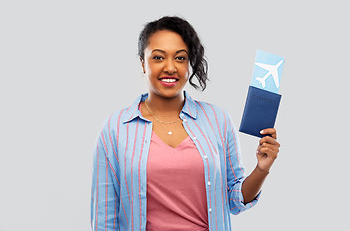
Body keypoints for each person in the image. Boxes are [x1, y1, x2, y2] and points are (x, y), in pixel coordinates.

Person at [91, 16, 280, 231]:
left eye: (180, 58)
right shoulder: (115, 129)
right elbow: (104, 218)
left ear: (190, 64)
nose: (170, 67)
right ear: (143, 63)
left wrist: (262, 169)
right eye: (158, 57)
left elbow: (235, 201)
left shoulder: (218, 120)